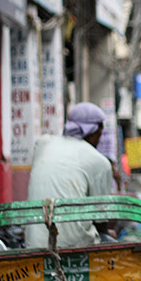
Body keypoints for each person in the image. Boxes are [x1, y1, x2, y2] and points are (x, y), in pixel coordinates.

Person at [26, 102, 113, 249]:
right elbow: (101, 220)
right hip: (77, 246)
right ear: (94, 131)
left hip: (34, 244)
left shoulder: (43, 144)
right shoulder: (99, 161)